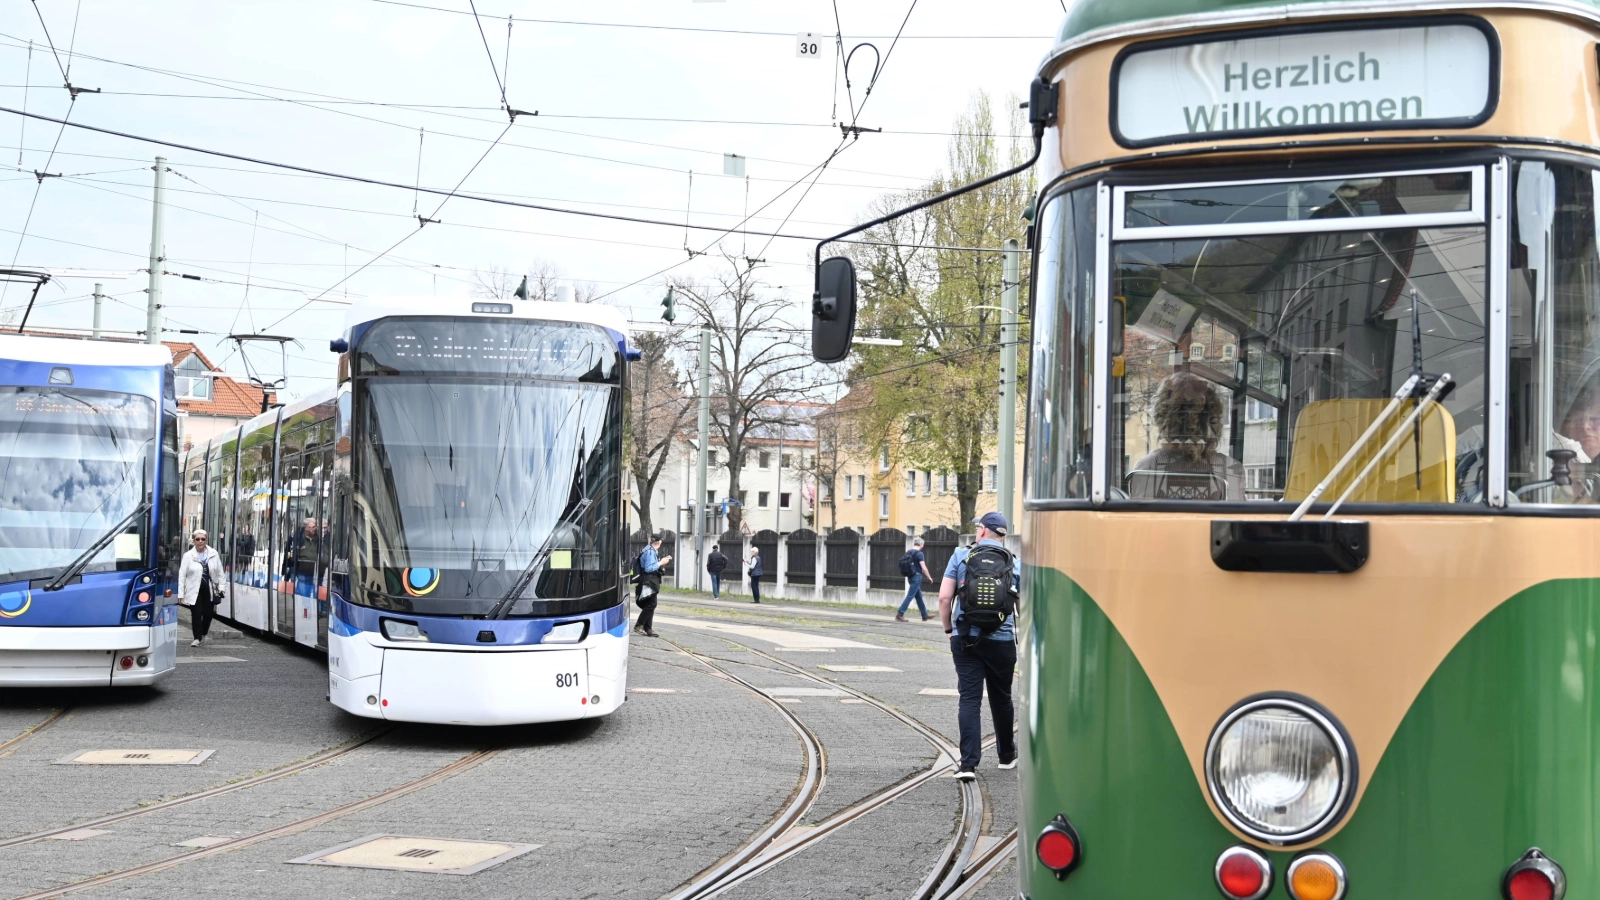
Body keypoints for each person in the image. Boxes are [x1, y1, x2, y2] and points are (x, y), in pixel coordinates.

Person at [938, 512, 1021, 781]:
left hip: (966, 638)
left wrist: (949, 630)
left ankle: (968, 765)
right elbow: (1022, 605)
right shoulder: (1014, 562)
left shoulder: (960, 556)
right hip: (1002, 641)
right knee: (1002, 697)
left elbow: (944, 598)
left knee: (970, 699)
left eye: (978, 527)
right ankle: (1006, 756)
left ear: (983, 530)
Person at [1127, 371, 1246, 501]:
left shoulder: (1147, 466)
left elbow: (1140, 511)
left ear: (1163, 419)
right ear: (1213, 420)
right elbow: (1236, 511)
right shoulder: (1230, 468)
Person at [178, 530, 226, 647]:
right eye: (198, 539)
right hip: (193, 589)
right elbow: (182, 575)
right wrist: (180, 594)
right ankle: (197, 638)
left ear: (206, 540)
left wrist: (222, 587)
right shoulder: (188, 556)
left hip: (209, 589)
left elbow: (220, 572)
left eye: (203, 539)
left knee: (208, 614)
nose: (200, 541)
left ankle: (203, 634)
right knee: (196, 613)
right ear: (194, 541)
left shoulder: (213, 554)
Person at [633, 534, 670, 637]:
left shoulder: (650, 550)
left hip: (650, 580)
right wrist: (660, 563)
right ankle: (639, 625)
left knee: (650, 604)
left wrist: (661, 562)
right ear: (658, 543)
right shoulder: (650, 552)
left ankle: (648, 628)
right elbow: (648, 568)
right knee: (651, 604)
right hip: (649, 581)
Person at [896, 536, 934, 622]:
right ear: (921, 544)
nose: (923, 546)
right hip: (916, 577)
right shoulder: (919, 554)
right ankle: (900, 614)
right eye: (923, 545)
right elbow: (924, 568)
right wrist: (929, 577)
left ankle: (925, 615)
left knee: (919, 596)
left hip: (910, 576)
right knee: (910, 596)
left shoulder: (908, 552)